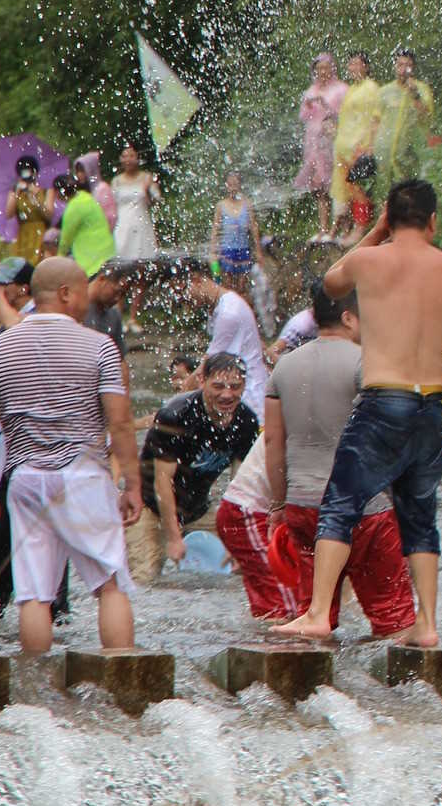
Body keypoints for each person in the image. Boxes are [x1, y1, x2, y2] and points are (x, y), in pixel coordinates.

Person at [275, 179, 442, 646]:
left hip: (382, 400)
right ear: (433, 221)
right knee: (419, 516)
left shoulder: (368, 259)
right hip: (431, 405)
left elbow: (330, 285)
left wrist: (374, 233)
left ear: (390, 219)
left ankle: (316, 614)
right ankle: (428, 625)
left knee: (340, 506)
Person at [0, 259, 140, 654]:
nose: (85, 301)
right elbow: (121, 423)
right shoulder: (99, 346)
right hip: (85, 477)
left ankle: (36, 698)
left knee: (34, 594)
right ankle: (124, 687)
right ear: (65, 293)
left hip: (25, 477)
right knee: (110, 585)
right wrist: (133, 483)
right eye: (81, 291)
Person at [222, 283, 412, 633]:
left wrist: (279, 506)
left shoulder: (284, 368)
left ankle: (315, 685)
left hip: (303, 507)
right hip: (365, 511)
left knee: (315, 616)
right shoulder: (367, 363)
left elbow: (274, 442)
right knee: (393, 617)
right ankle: (393, 688)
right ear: (350, 317)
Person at [128, 353, 259, 583]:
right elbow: (162, 483)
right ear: (202, 381)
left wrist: (239, 540)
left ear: (245, 385)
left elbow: (241, 486)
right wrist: (173, 537)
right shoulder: (175, 415)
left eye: (235, 386)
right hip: (151, 508)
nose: (227, 394)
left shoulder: (246, 422)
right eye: (218, 386)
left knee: (246, 566)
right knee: (144, 581)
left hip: (198, 510)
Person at [188, 264, 270, 421]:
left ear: (196, 281)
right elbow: (260, 344)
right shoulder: (227, 304)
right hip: (245, 395)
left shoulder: (228, 312)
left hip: (249, 401)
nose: (185, 297)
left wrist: (177, 399)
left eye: (184, 291)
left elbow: (205, 366)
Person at [294, 53, 348, 241]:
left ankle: (342, 229)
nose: (322, 72)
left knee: (338, 185)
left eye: (326, 68)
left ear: (332, 69)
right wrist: (309, 105)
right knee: (318, 187)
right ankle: (324, 229)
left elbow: (346, 114)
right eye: (319, 69)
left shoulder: (341, 89)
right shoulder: (310, 90)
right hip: (313, 142)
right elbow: (303, 116)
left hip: (333, 141)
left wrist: (326, 105)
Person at [332, 53, 382, 236]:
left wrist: (370, 145)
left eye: (356, 64)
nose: (352, 68)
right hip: (343, 148)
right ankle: (348, 229)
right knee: (348, 189)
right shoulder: (351, 89)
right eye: (350, 64)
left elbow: (376, 118)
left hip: (360, 147)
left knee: (360, 188)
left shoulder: (372, 88)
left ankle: (360, 229)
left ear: (366, 67)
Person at [373, 49, 434, 189]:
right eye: (400, 65)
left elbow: (426, 119)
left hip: (409, 151)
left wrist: (415, 95)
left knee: (407, 194)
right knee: (386, 195)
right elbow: (375, 121)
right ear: (395, 66)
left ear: (413, 68)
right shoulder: (384, 91)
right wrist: (371, 147)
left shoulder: (422, 89)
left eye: (407, 65)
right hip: (385, 152)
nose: (403, 69)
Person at [110, 143, 161, 263]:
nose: (128, 160)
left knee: (143, 256)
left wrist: (147, 191)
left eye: (131, 156)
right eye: (124, 156)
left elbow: (156, 200)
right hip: (122, 224)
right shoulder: (116, 181)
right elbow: (112, 205)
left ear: (138, 158)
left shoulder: (146, 177)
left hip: (141, 221)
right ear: (120, 159)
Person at [57, 176, 116, 278]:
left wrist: (58, 259)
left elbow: (66, 240)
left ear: (59, 193)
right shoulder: (86, 197)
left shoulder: (73, 208)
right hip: (108, 252)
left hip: (92, 260)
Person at [210, 171, 260, 283]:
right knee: (228, 284)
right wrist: (213, 250)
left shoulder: (247, 204)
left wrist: (258, 251)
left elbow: (254, 227)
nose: (233, 188)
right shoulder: (221, 205)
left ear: (240, 186)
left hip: (243, 249)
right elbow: (215, 229)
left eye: (235, 184)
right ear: (226, 186)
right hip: (227, 250)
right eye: (230, 185)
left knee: (242, 285)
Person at [7, 155, 49, 264]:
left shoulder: (42, 191)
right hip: (23, 235)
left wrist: (32, 195)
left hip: (40, 233)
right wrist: (16, 192)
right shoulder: (15, 191)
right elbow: (8, 214)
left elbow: (47, 215)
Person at [0, 257, 33, 337]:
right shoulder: (9, 313)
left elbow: (15, 329)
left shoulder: (38, 313)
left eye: (0, 283)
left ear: (23, 289)